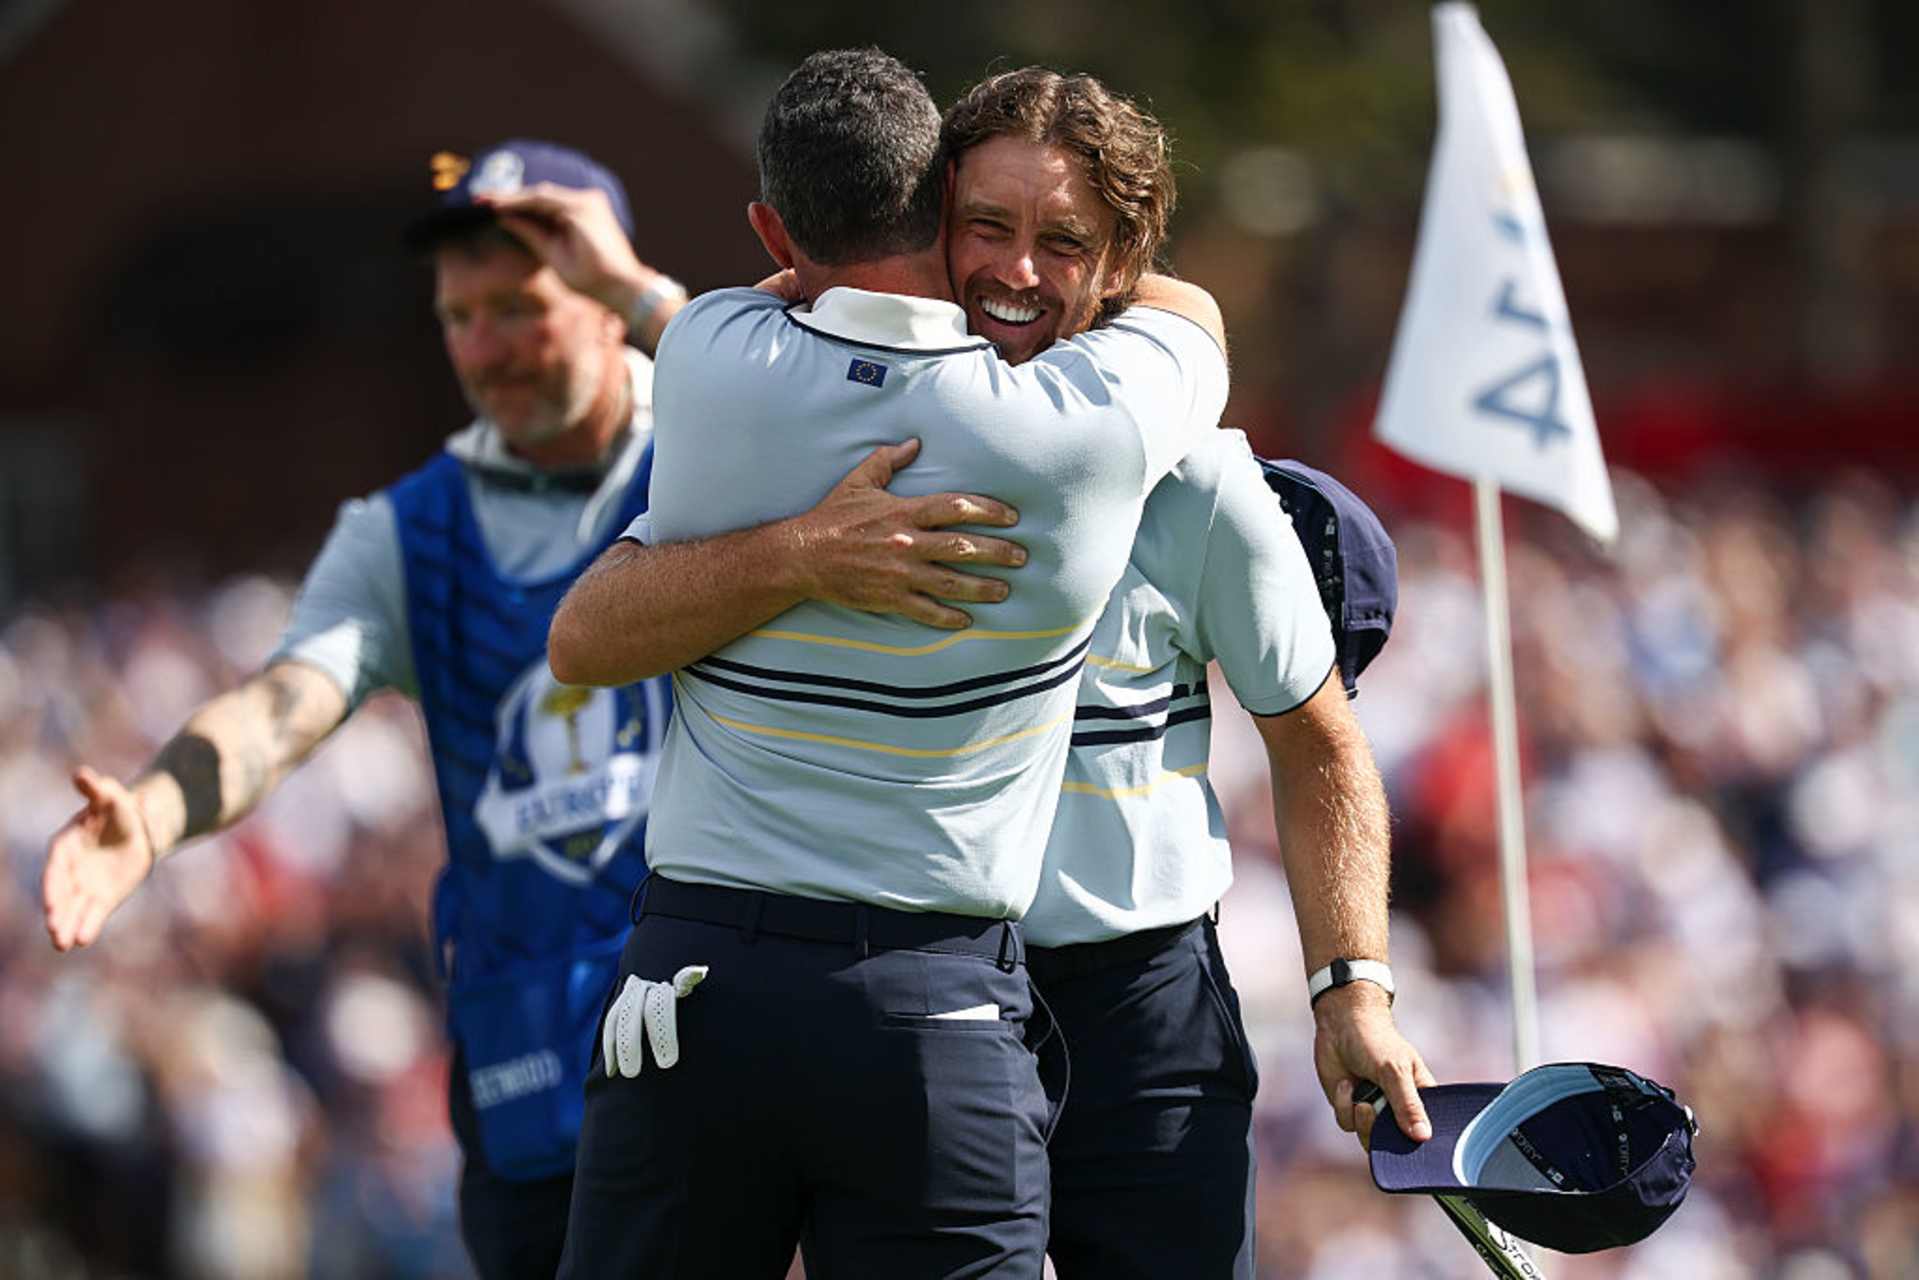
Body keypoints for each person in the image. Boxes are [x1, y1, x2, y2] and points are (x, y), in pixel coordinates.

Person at [522, 66, 1434, 1279]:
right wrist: (797, 549)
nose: (1014, 269)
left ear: (1118, 268)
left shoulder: (1201, 481)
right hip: (917, 991)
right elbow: (604, 611)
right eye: (985, 227)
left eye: (1063, 242)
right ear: (923, 219)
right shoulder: (825, 427)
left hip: (1132, 1005)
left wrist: (1351, 986)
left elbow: (1315, 743)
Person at [39, 140, 694, 1280]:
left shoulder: (715, 459)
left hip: (716, 1059)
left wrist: (668, 318)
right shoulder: (405, 530)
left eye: (520, 306)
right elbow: (279, 707)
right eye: (460, 315)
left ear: (602, 290)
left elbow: (813, 406)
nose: (486, 348)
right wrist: (151, 812)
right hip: (528, 1080)